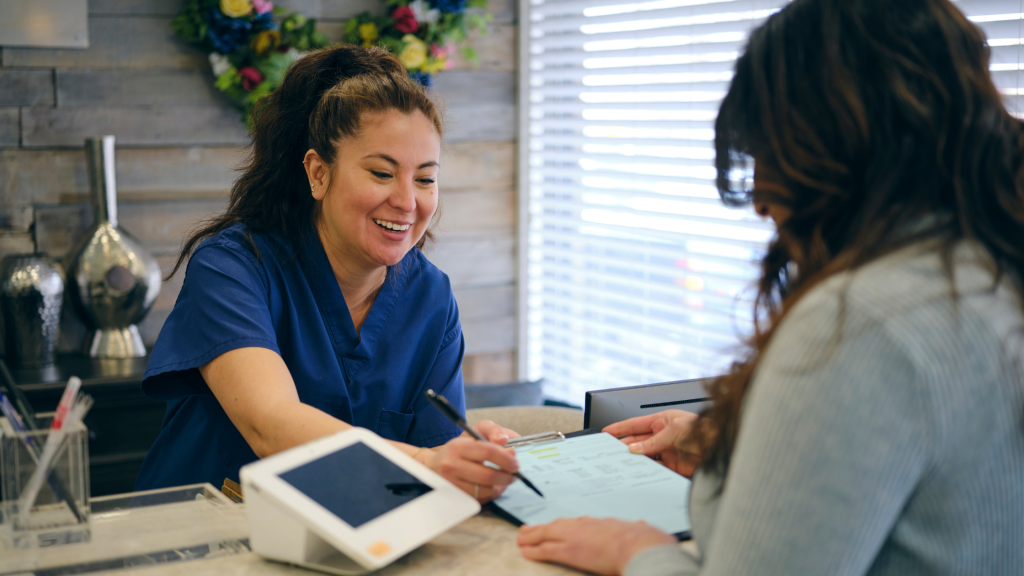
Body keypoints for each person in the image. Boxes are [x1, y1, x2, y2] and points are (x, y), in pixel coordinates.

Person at [516, 0, 1024, 574]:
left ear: (833, 147)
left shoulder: (858, 322)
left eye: (768, 153)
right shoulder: (989, 269)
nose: (759, 201)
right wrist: (738, 452)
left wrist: (634, 552)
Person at [134, 44, 519, 502]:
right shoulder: (234, 268)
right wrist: (426, 463)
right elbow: (270, 423)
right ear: (318, 173)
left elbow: (436, 460)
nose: (407, 201)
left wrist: (470, 459)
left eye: (425, 179)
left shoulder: (430, 297)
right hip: (200, 541)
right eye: (381, 173)